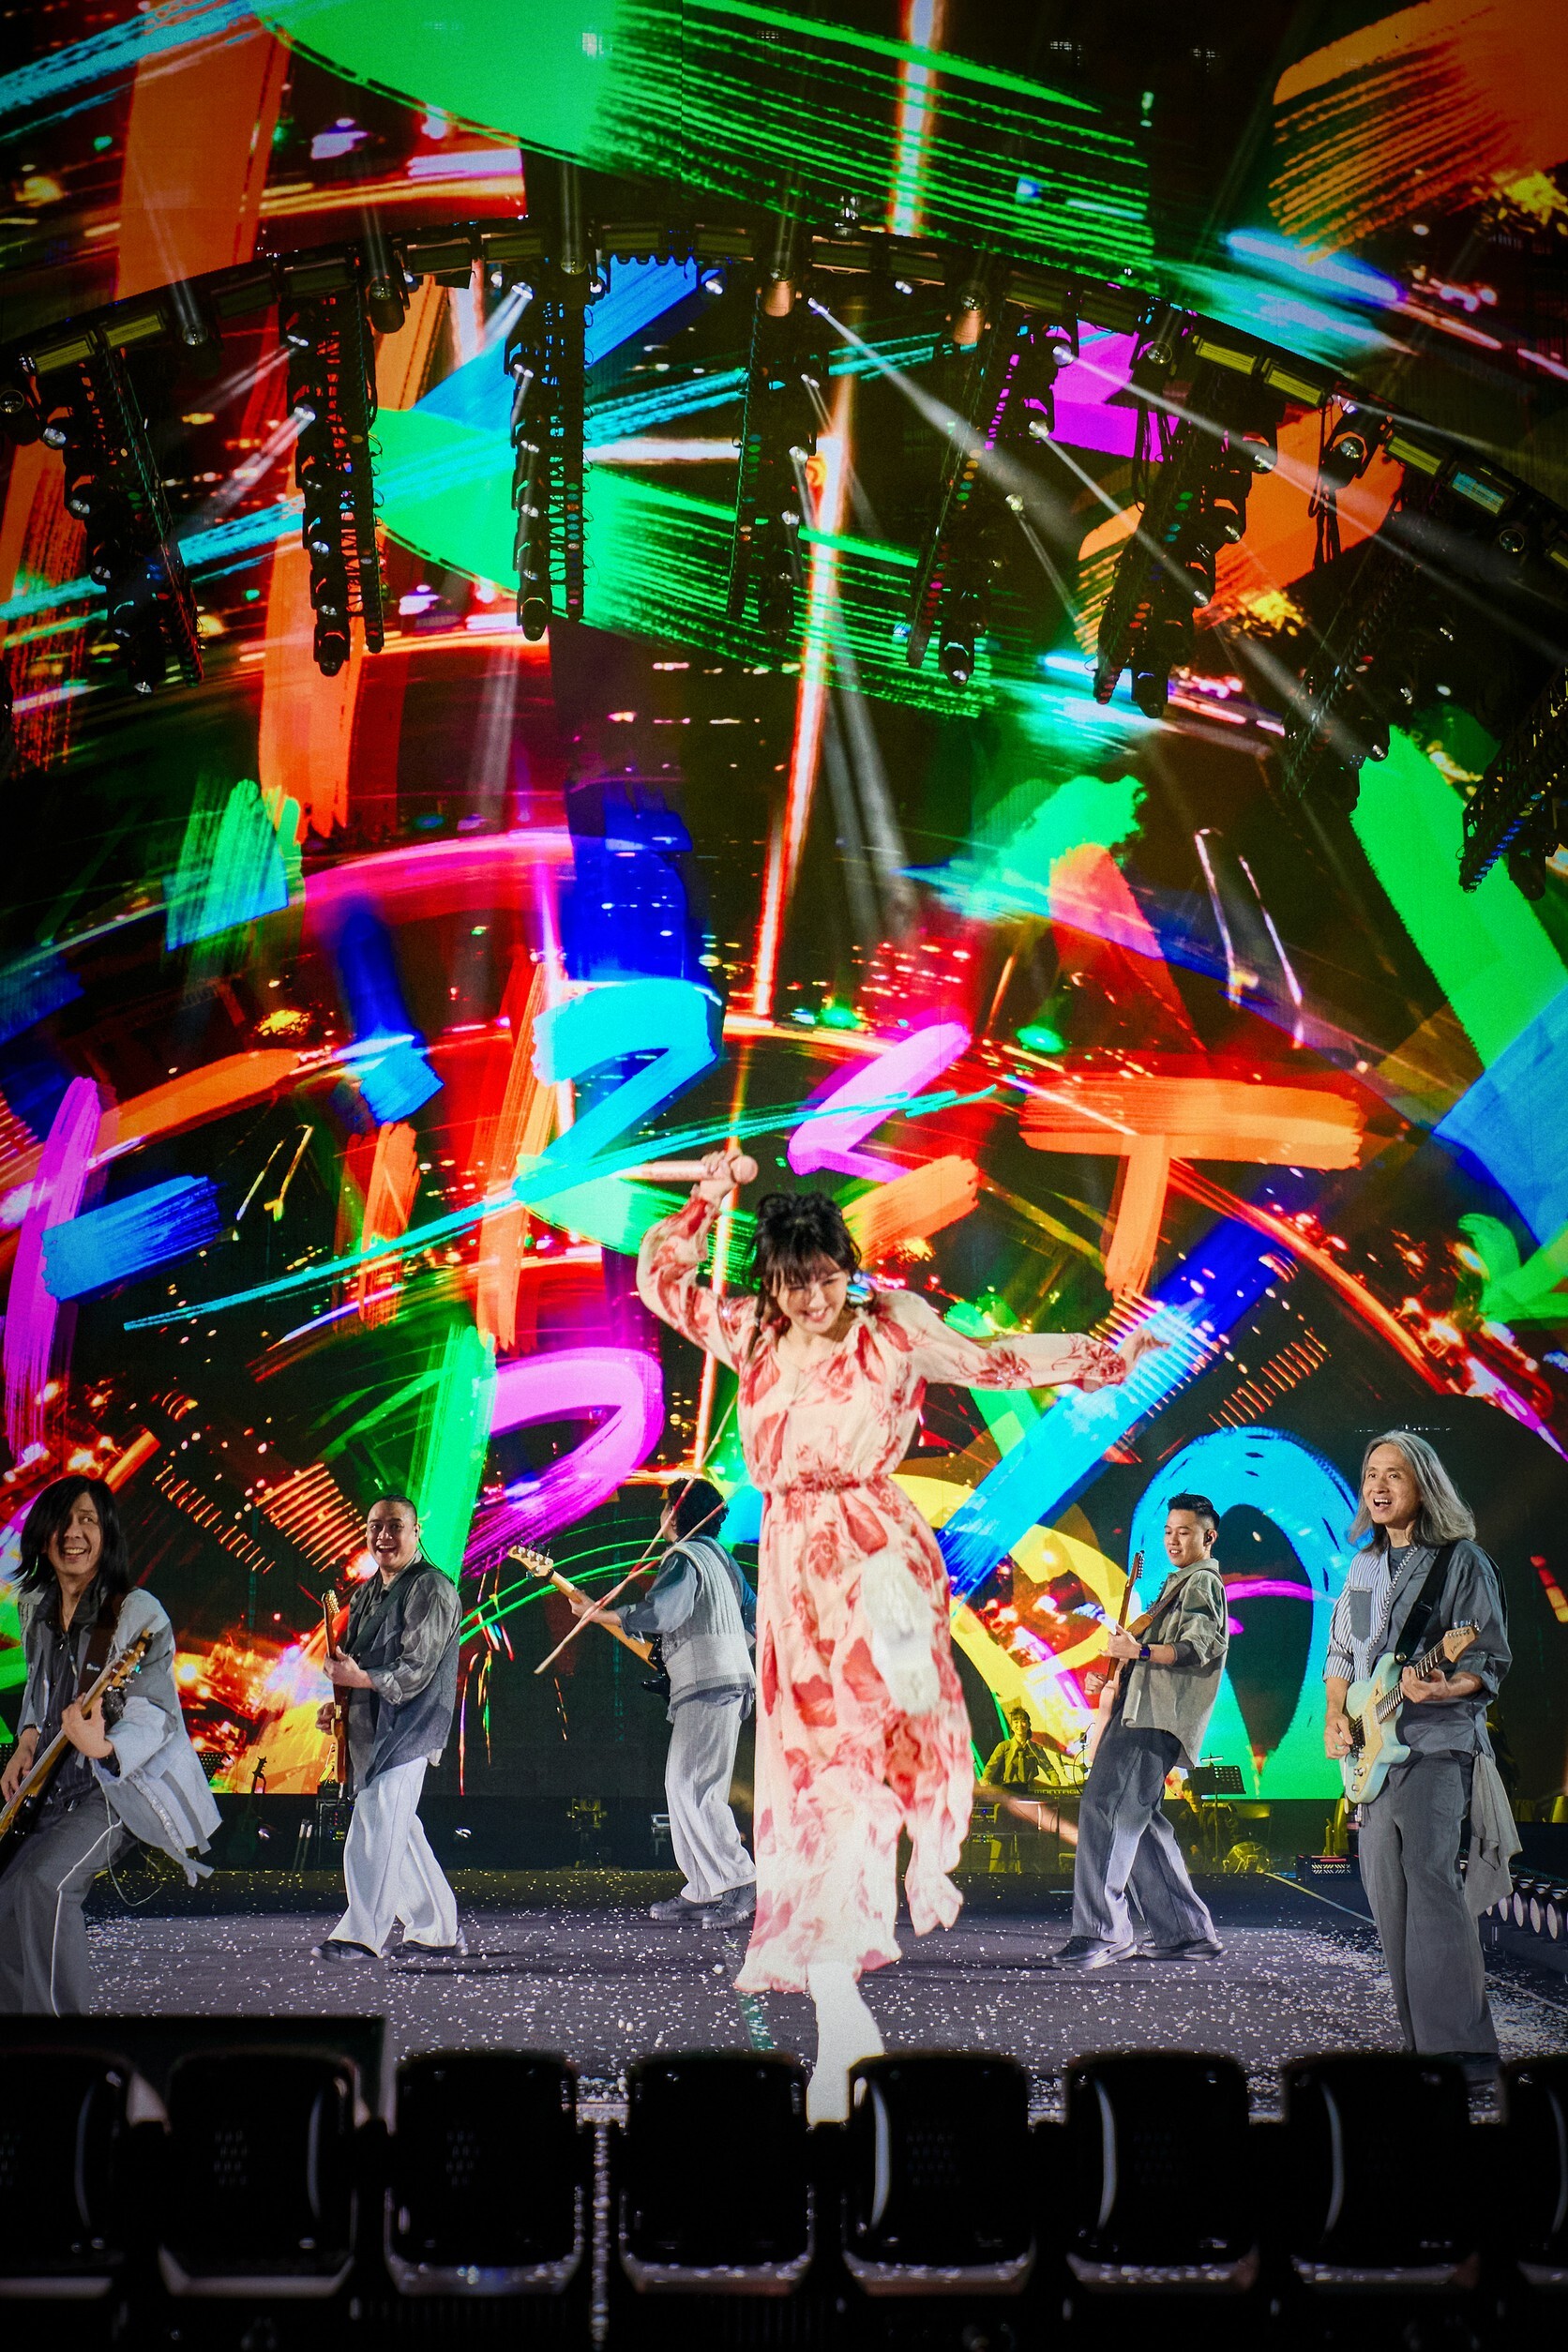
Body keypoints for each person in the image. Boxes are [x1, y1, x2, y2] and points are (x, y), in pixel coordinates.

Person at [637, 1154, 1158, 2118]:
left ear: (847, 1267)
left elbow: (991, 1360)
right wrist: (704, 1200)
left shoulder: (891, 1328)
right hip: (794, 1572)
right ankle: (837, 1995)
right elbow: (661, 1281)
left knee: (878, 1736)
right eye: (793, 1282)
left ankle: (917, 1774)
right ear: (770, 1281)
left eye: (826, 1277)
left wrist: (1093, 1356)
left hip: (875, 1549)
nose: (811, 1298)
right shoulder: (751, 1331)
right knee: (814, 1782)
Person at [1323, 1432, 1514, 2074]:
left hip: (1436, 1746)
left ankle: (1463, 2050)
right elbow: (1344, 1653)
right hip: (1374, 1755)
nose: (1378, 1487)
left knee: (1431, 1885)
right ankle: (1422, 2051)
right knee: (1387, 1896)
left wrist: (1443, 1686)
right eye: (1371, 1474)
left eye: (1394, 1475)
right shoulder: (1363, 1567)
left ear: (1424, 1486)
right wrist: (1335, 1716)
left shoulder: (1462, 1562)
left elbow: (1486, 1658)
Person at [0, 1475, 219, 2014]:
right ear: (43, 1534)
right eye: (63, 1521)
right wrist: (27, 1739)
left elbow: (156, 1711)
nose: (74, 1533)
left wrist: (104, 1748)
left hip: (113, 1788)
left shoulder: (134, 1612)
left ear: (107, 1536)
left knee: (45, 1886)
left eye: (88, 1521)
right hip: (50, 1785)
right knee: (7, 1896)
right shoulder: (36, 1605)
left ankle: (63, 2039)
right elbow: (39, 1686)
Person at [568, 1473, 758, 1928]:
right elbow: (754, 1613)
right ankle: (704, 1887)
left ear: (675, 1514)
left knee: (695, 1786)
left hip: (710, 1685)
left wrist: (600, 1614)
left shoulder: (684, 1557)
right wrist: (735, 1650)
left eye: (666, 1505)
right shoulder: (722, 1559)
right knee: (685, 1785)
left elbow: (663, 1613)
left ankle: (741, 1882)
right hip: (722, 1683)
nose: (662, 1514)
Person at [1053, 1493, 1229, 1971]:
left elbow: (1196, 1647)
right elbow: (1154, 1656)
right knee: (1137, 1822)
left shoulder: (1202, 1582)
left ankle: (1102, 1932)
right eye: (1169, 1531)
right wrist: (1118, 1675)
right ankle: (1186, 1933)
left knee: (1104, 1808)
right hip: (1143, 1710)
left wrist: (1140, 1654)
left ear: (1208, 1537)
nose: (1173, 1540)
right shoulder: (1178, 1584)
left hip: (1153, 1718)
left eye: (1185, 1532)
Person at [313, 1494, 463, 1964]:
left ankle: (361, 1933)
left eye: (395, 1526)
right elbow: (355, 1664)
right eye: (375, 1526)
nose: (384, 1536)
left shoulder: (432, 1589)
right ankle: (437, 1929)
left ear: (416, 1532)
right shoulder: (367, 1593)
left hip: (410, 1726)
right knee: (400, 1828)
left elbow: (417, 1669)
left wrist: (357, 1679)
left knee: (377, 1820)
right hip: (374, 1725)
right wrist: (338, 1703)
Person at [982, 1702, 1060, 1790]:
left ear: (1028, 1725)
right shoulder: (1003, 1746)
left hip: (1029, 1791)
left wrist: (1056, 1787)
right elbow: (991, 1766)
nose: (1019, 1725)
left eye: (1023, 1721)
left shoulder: (1036, 1748)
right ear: (1011, 1726)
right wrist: (985, 1780)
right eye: (1016, 1722)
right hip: (1008, 1790)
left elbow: (1050, 1771)